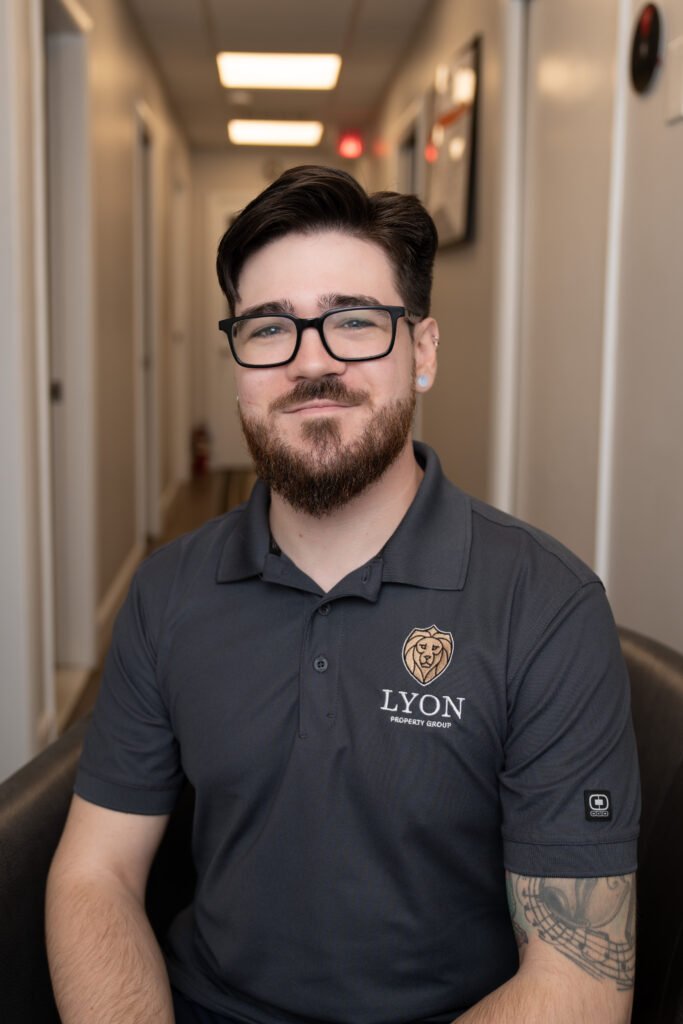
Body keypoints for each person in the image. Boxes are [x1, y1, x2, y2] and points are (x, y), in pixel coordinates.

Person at [46, 165, 640, 1024]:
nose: (311, 362)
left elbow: (579, 983)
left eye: (353, 322)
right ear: (237, 358)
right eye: (268, 329)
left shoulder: (545, 609)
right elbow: (93, 873)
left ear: (422, 350)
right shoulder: (169, 589)